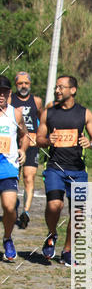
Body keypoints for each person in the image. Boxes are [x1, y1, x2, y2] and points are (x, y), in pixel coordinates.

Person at [36, 76, 92, 265]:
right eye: (56, 87)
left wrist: (91, 143)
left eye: (61, 87)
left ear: (72, 90)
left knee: (78, 213)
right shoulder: (48, 113)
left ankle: (67, 250)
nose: (57, 90)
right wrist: (49, 140)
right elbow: (38, 138)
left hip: (78, 170)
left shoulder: (84, 113)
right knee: (55, 205)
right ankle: (52, 233)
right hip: (55, 168)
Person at [0, 76, 30, 261]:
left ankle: (7, 237)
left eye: (3, 92)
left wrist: (23, 149)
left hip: (8, 165)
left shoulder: (15, 113)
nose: (0, 95)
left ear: (9, 93)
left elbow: (25, 134)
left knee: (9, 207)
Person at [10, 71, 42, 229]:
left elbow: (43, 121)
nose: (23, 86)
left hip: (32, 144)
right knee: (12, 178)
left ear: (30, 84)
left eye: (26, 83)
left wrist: (43, 136)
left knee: (29, 177)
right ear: (16, 85)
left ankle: (26, 212)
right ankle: (13, 205)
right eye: (20, 83)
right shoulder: (10, 99)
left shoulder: (37, 101)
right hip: (13, 144)